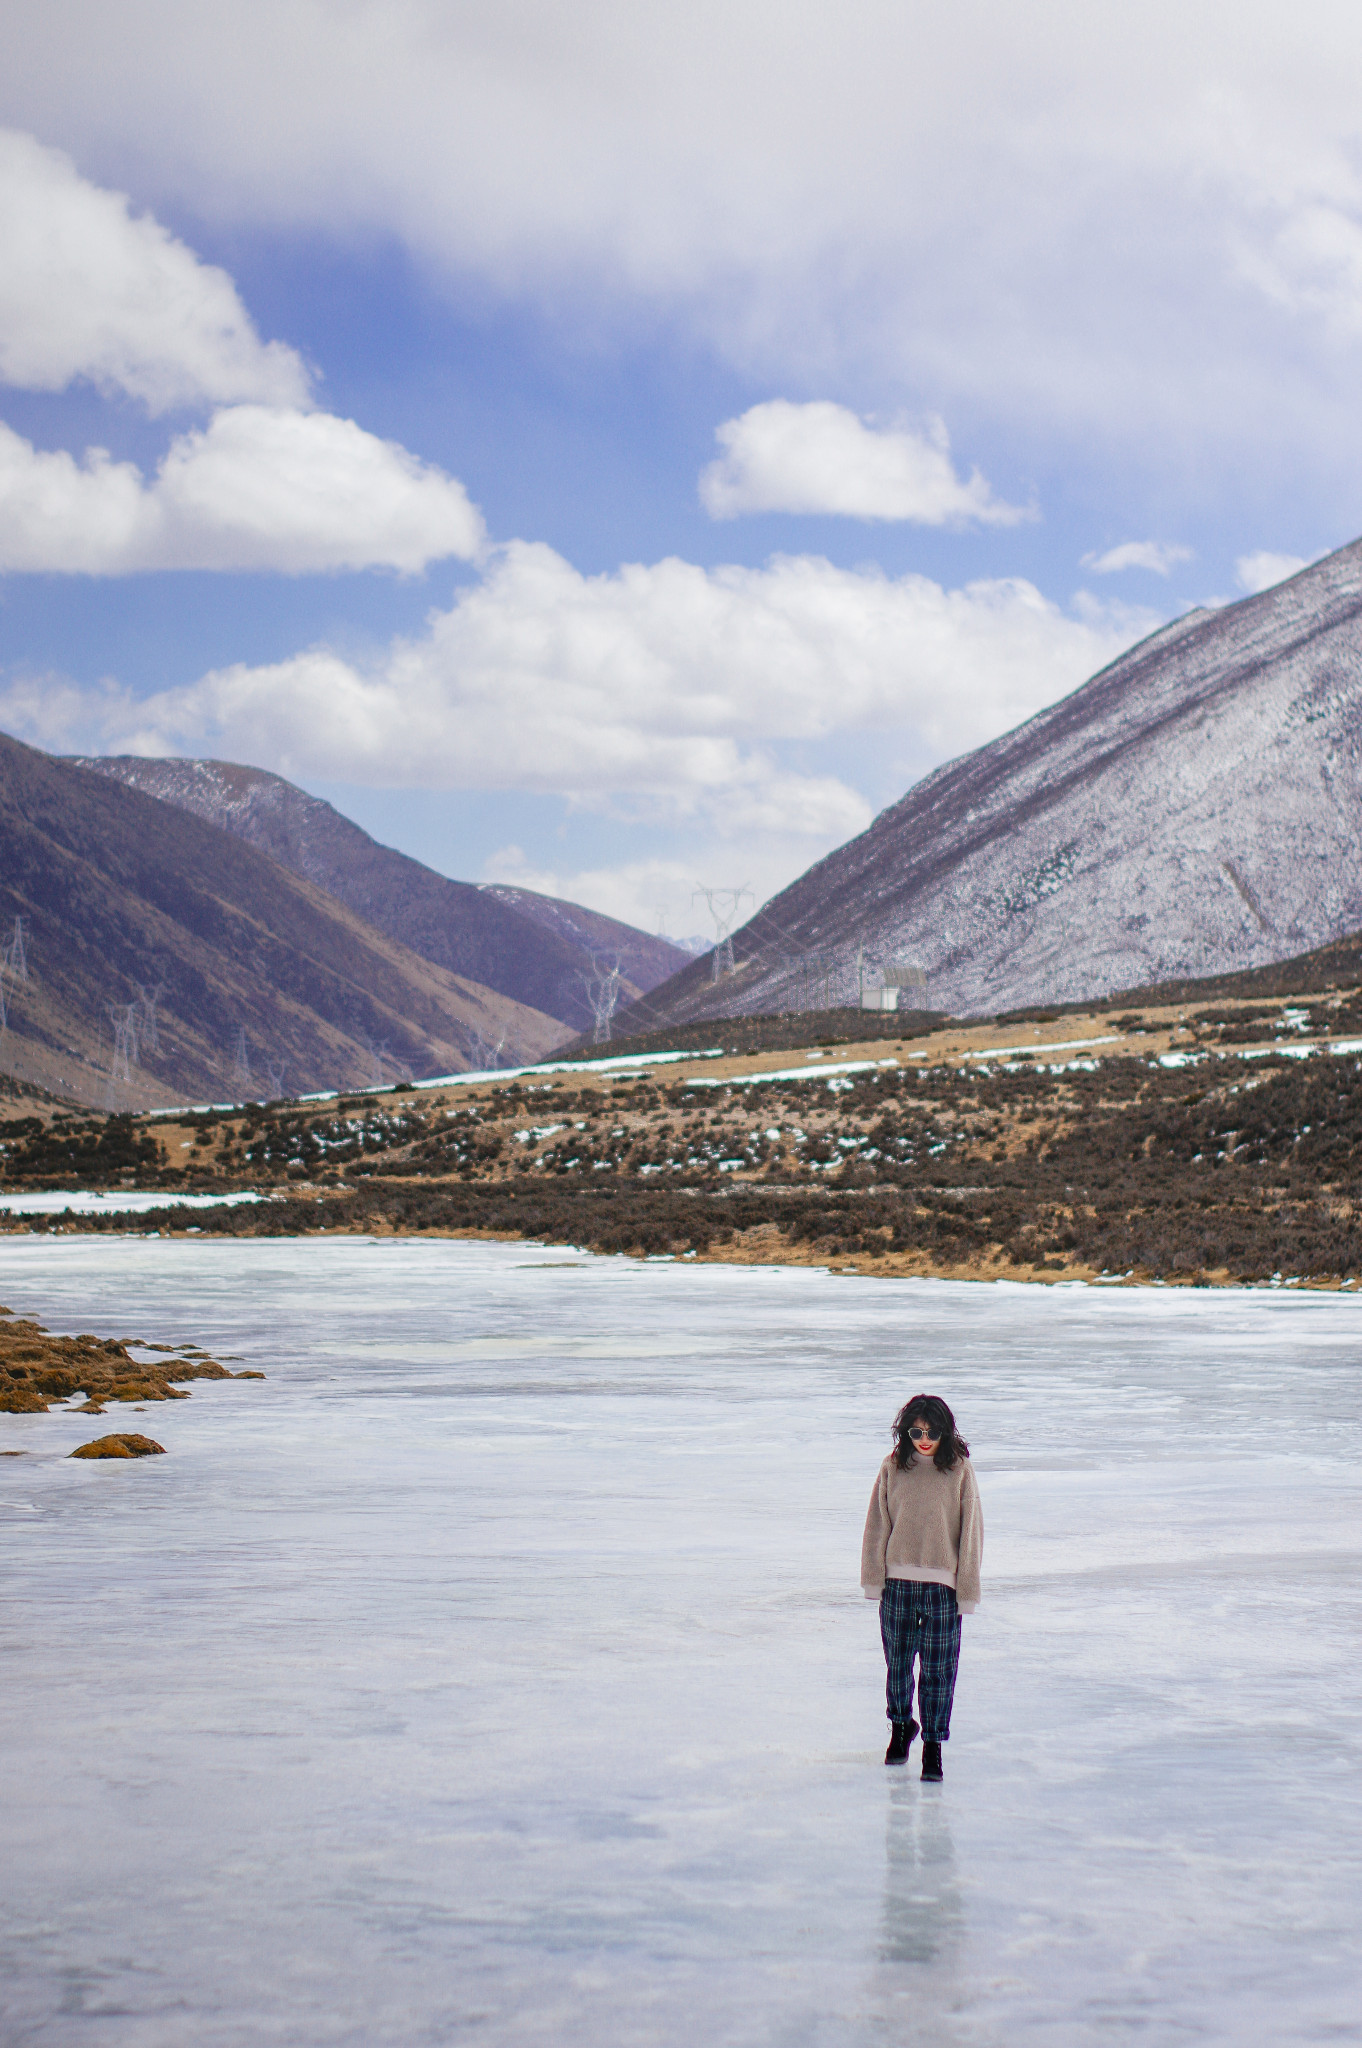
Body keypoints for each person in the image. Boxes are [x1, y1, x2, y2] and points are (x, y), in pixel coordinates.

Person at [860, 1393, 982, 1781]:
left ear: (945, 1432)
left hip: (941, 1590)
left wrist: (966, 1590)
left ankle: (932, 1746)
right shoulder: (894, 1466)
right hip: (897, 1585)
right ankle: (900, 1728)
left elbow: (971, 1533)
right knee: (897, 1666)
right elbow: (877, 1524)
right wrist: (873, 1579)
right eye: (916, 1432)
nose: (924, 1439)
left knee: (938, 1671)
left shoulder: (959, 1469)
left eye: (931, 1432)